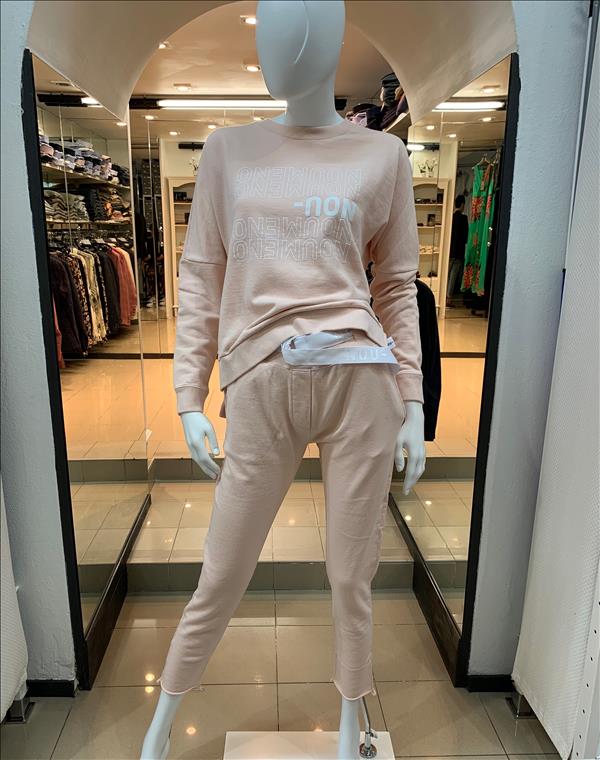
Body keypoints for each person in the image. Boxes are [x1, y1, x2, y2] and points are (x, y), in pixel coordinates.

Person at [447, 194, 468, 306]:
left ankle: (442, 295)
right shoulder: (464, 219)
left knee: (447, 274)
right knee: (453, 276)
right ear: (463, 204)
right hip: (459, 252)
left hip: (449, 250)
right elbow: (465, 237)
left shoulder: (450, 217)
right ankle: (448, 298)